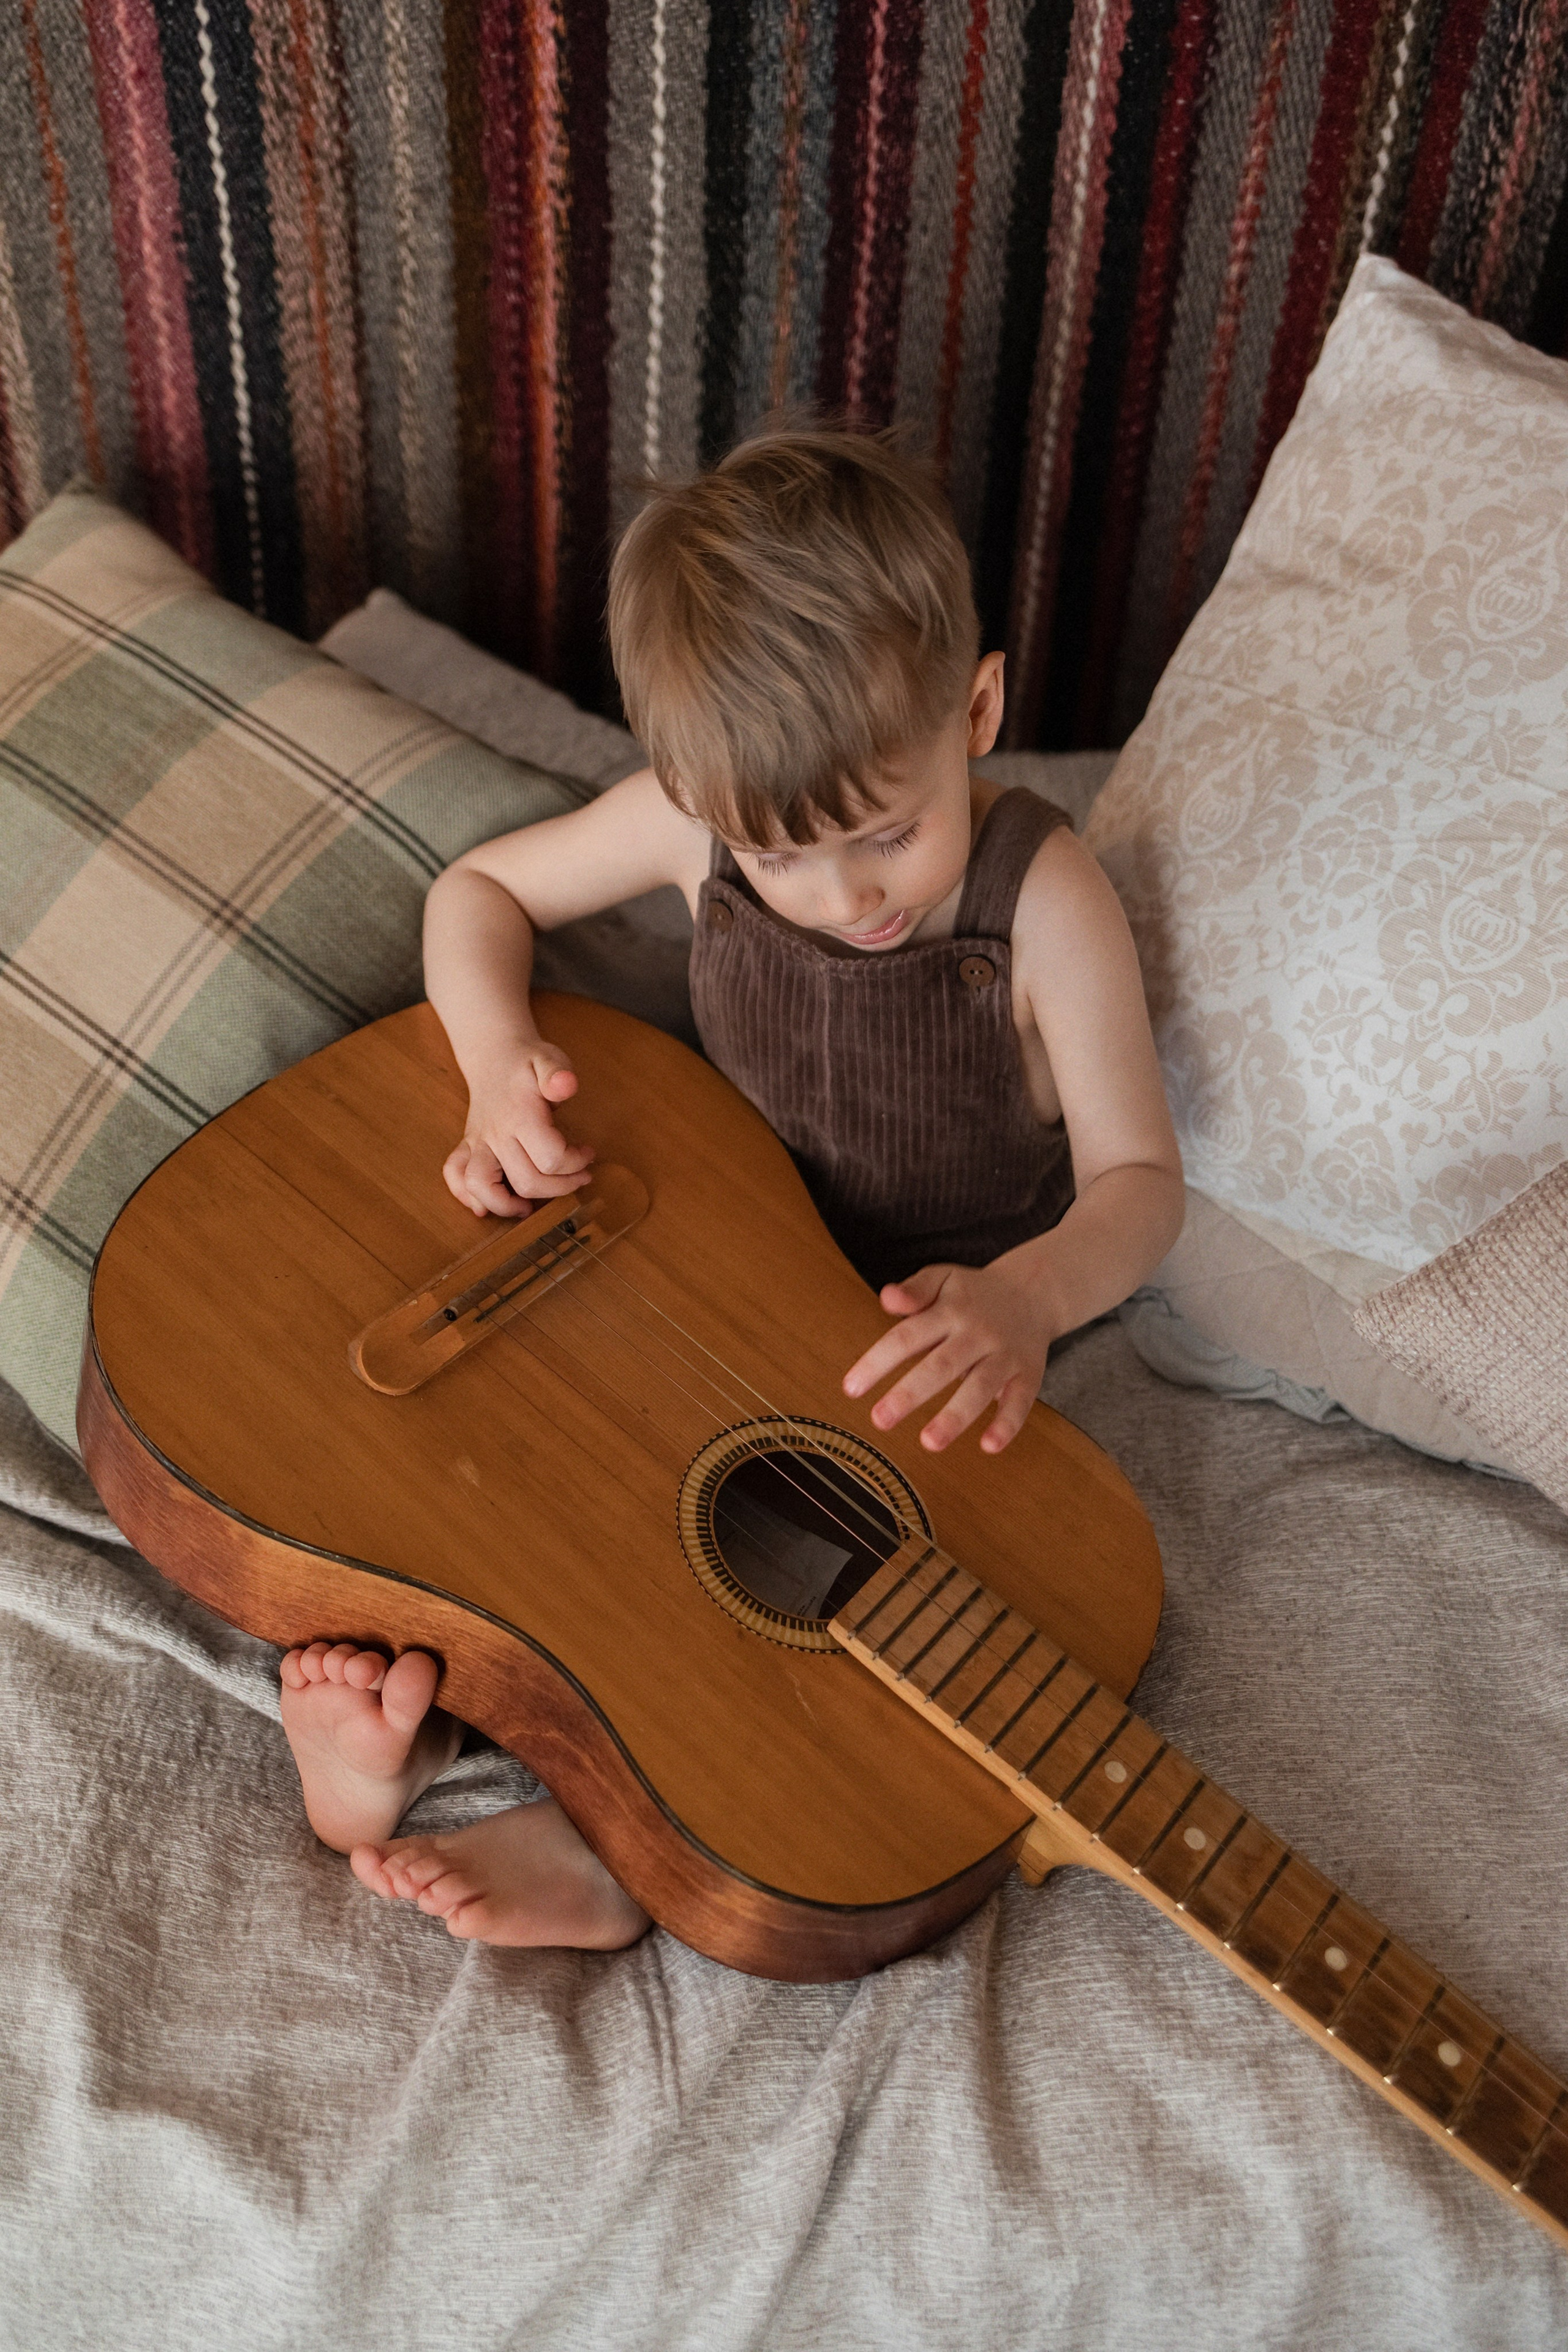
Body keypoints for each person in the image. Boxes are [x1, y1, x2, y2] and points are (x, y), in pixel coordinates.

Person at [278, 426, 1183, 1950]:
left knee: (822, 1607)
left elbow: (1142, 1185)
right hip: (686, 1253)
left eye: (885, 834)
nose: (844, 897)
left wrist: (1029, 1297)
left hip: (903, 1335)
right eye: (780, 864)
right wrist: (496, 1059)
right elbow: (479, 893)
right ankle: (401, 1730)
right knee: (513, 1474)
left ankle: (601, 1845)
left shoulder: (1045, 901)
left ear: (974, 710)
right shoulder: (700, 817)